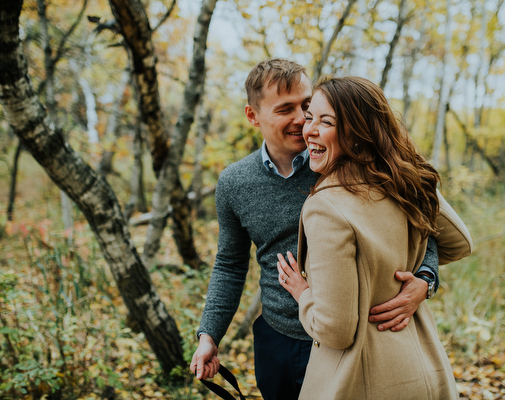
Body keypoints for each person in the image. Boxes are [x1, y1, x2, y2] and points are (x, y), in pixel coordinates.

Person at [190, 59, 471, 400]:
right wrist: (209, 335)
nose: (302, 120)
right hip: (278, 338)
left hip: (352, 342)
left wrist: (425, 280)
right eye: (285, 109)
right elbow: (230, 264)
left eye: (307, 106)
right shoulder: (235, 183)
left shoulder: (347, 161)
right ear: (253, 116)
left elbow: (419, 227)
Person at [277, 76, 466, 399]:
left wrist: (302, 293)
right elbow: (459, 242)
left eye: (327, 121)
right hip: (427, 371)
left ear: (357, 132)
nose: (309, 129)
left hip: (364, 382)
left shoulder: (326, 207)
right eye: (311, 118)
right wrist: (424, 276)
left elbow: (336, 330)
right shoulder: (408, 181)